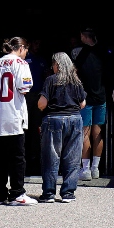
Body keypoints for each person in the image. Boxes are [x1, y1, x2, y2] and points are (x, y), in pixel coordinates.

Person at [0, 36, 36, 205]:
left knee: (0, 157)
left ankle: (0, 192)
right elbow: (24, 88)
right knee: (17, 157)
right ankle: (17, 193)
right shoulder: (21, 64)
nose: (26, 53)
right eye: (26, 49)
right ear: (21, 48)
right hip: (13, 115)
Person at [36, 52, 86, 203]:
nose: (52, 67)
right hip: (75, 120)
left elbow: (42, 103)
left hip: (54, 120)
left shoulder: (51, 80)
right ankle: (68, 193)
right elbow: (82, 104)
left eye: (53, 64)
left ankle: (49, 194)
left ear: (57, 64)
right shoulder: (76, 81)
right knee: (72, 158)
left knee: (51, 157)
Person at [72, 27, 106, 181]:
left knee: (85, 133)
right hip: (101, 96)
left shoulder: (79, 54)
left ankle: (85, 169)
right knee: (97, 132)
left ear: (84, 37)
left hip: (85, 98)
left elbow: (75, 74)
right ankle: (96, 168)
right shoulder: (103, 52)